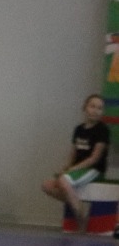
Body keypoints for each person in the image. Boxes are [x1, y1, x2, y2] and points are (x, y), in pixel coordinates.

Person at [40, 94, 109, 230]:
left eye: (99, 108)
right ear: (85, 107)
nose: (95, 111)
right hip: (78, 170)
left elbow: (94, 158)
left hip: (94, 169)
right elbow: (73, 154)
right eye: (92, 106)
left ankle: (81, 217)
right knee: (47, 185)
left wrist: (72, 170)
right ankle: (77, 204)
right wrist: (66, 168)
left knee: (64, 180)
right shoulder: (79, 129)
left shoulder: (102, 130)